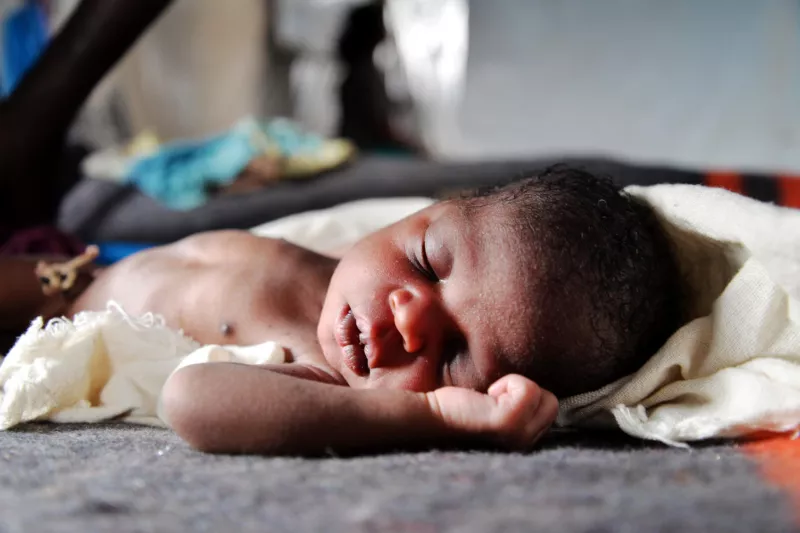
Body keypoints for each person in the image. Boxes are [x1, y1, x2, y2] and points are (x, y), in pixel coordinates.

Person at [5, 166, 682, 455]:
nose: (410, 318)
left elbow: (192, 399)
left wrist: (431, 415)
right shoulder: (346, 260)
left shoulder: (329, 373)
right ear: (423, 213)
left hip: (40, 330)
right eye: (426, 261)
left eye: (451, 356)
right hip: (74, 267)